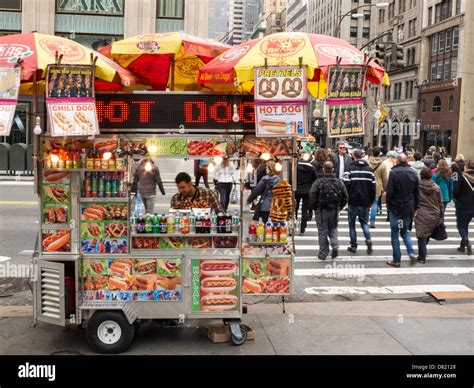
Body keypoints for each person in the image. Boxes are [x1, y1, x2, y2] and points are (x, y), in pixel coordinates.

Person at [309, 161, 348, 260]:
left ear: (323, 169)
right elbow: (345, 197)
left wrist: (314, 208)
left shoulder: (318, 182)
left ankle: (323, 253)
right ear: (333, 169)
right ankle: (335, 245)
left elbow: (312, 195)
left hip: (321, 210)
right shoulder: (339, 182)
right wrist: (339, 207)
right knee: (333, 228)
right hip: (334, 210)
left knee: (322, 231)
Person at [385, 154, 419, 267]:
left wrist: (389, 205)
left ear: (398, 161)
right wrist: (415, 208)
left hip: (396, 207)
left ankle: (397, 260)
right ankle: (411, 252)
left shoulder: (394, 173)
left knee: (394, 234)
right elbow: (417, 193)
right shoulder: (413, 173)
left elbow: (389, 192)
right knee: (404, 232)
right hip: (408, 207)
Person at [344, 149, 375, 254]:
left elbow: (345, 185)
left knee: (352, 224)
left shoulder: (349, 169)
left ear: (353, 156)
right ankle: (368, 239)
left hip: (353, 201)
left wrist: (347, 198)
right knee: (364, 223)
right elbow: (373, 187)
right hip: (365, 201)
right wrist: (371, 200)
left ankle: (353, 246)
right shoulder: (369, 170)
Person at [414, 168, 443, 264]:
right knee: (427, 232)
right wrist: (442, 215)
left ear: (421, 175)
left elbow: (414, 199)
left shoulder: (417, 187)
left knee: (421, 235)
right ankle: (423, 251)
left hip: (421, 212)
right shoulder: (437, 187)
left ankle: (422, 257)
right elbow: (440, 203)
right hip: (434, 213)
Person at [453, 160, 474, 255]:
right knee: (465, 225)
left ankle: (467, 242)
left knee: (461, 225)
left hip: (463, 205)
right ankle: (462, 246)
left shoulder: (463, 177)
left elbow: (456, 192)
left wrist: (457, 199)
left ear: (467, 166)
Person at [295, 151, 318, 235]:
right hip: (307, 190)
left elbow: (292, 177)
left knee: (294, 209)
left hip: (296, 190)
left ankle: (293, 227)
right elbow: (316, 179)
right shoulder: (312, 167)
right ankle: (302, 230)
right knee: (304, 211)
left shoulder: (296, 167)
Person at [367, 147, 385, 228]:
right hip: (378, 185)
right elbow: (385, 177)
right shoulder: (382, 164)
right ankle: (372, 221)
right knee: (375, 203)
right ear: (379, 153)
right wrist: (385, 188)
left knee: (367, 203)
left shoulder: (367, 162)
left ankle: (365, 218)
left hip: (368, 184)